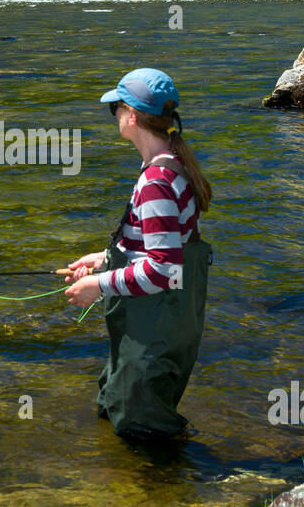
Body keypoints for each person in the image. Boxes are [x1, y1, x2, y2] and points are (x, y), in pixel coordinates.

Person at [58, 67, 212, 442]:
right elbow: (161, 244)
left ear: (131, 116)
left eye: (115, 108)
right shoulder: (171, 166)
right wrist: (106, 257)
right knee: (121, 409)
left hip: (155, 327)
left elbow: (163, 270)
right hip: (166, 321)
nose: (113, 116)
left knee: (145, 432)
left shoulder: (156, 182)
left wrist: (99, 285)